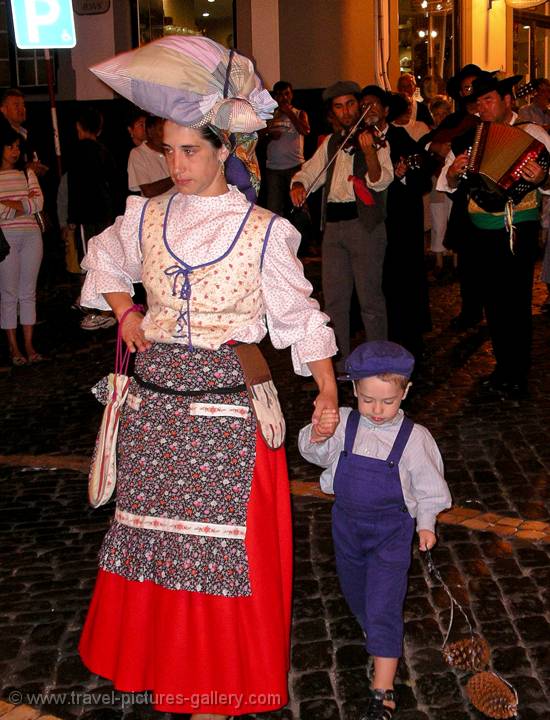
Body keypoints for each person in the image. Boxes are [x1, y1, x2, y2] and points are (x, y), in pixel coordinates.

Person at [78, 37, 339, 720]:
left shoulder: (263, 230)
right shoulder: (150, 212)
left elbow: (297, 315)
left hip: (226, 402)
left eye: (190, 149)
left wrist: (329, 392)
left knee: (221, 550)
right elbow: (101, 260)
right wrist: (126, 308)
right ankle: (165, 666)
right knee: (155, 538)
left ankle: (217, 685)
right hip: (156, 401)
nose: (176, 162)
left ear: (226, 149)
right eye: (168, 149)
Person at [298, 340, 451, 720]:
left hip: (391, 532)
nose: (377, 411)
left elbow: (430, 488)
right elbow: (311, 452)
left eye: (388, 402)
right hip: (346, 525)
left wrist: (426, 524)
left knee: (383, 602)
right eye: (368, 400)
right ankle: (377, 631)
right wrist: (318, 433)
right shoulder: (346, 421)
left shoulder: (415, 439)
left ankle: (382, 687)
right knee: (355, 591)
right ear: (354, 390)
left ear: (405, 392)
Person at [437, 72, 550, 399]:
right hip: (479, 231)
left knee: (515, 303)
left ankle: (517, 372)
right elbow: (446, 184)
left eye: (488, 100)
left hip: (517, 228)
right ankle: (502, 368)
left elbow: (547, 183)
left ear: (508, 101)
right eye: (478, 102)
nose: (482, 108)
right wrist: (453, 172)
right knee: (493, 304)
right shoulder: (468, 138)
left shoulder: (533, 134)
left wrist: (543, 176)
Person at [290, 80, 393, 366]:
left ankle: (377, 363)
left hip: (365, 225)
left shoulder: (375, 138)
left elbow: (380, 180)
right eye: (339, 107)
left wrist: (370, 152)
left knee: (370, 300)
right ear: (332, 112)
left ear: (359, 105)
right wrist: (299, 184)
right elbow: (310, 171)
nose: (346, 111)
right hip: (333, 227)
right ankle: (340, 362)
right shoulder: (332, 143)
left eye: (350, 104)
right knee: (334, 300)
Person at [361, 86, 431, 358]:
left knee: (404, 279)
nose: (368, 109)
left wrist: (403, 176)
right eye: (364, 104)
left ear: (386, 110)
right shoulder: (356, 140)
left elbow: (421, 178)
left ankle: (408, 338)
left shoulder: (401, 138)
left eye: (374, 104)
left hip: (400, 222)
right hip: (369, 223)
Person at [65, 106, 120, 331]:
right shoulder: (104, 151)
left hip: (86, 215)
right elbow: (115, 182)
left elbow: (75, 187)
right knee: (105, 258)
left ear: (79, 127)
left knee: (88, 260)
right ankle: (104, 308)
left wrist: (71, 218)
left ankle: (93, 308)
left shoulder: (78, 152)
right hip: (105, 212)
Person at [0, 126, 44, 364]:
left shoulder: (27, 173)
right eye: (10, 146)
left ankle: (28, 344)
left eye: (18, 147)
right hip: (5, 240)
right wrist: (22, 205)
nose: (15, 151)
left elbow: (38, 202)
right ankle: (13, 347)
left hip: (32, 237)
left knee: (28, 293)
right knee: (8, 293)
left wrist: (10, 205)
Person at [264, 80, 310, 218]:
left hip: (295, 167)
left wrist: (289, 112)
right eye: (279, 95)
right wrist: (269, 134)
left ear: (291, 95)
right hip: (274, 169)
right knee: (274, 208)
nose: (283, 98)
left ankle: (304, 236)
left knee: (299, 206)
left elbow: (305, 130)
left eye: (286, 94)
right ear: (275, 97)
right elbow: (258, 137)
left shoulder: (299, 113)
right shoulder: (269, 115)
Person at [0, 88, 48, 178]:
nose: (21, 109)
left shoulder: (28, 132)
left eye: (23, 105)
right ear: (3, 109)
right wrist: (26, 167)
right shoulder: (3, 136)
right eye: (16, 105)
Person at [127, 115, 174, 197]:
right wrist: (175, 177)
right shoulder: (138, 154)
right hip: (156, 209)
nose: (166, 133)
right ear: (150, 131)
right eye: (161, 129)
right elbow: (148, 191)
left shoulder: (174, 150)